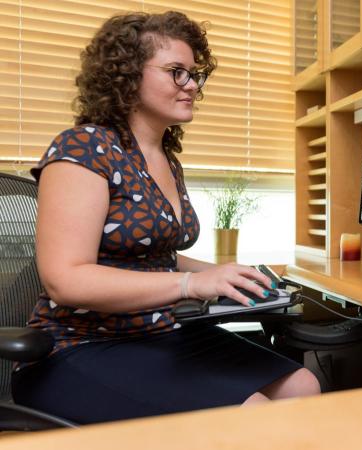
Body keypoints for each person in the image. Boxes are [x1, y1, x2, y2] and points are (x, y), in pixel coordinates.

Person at [11, 11, 320, 424]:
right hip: (77, 347)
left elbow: (155, 256)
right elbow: (65, 280)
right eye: (177, 72)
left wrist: (224, 274)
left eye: (195, 74)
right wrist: (191, 284)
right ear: (127, 75)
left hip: (159, 334)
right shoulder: (84, 148)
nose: (192, 85)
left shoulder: (165, 159)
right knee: (253, 417)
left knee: (304, 387)